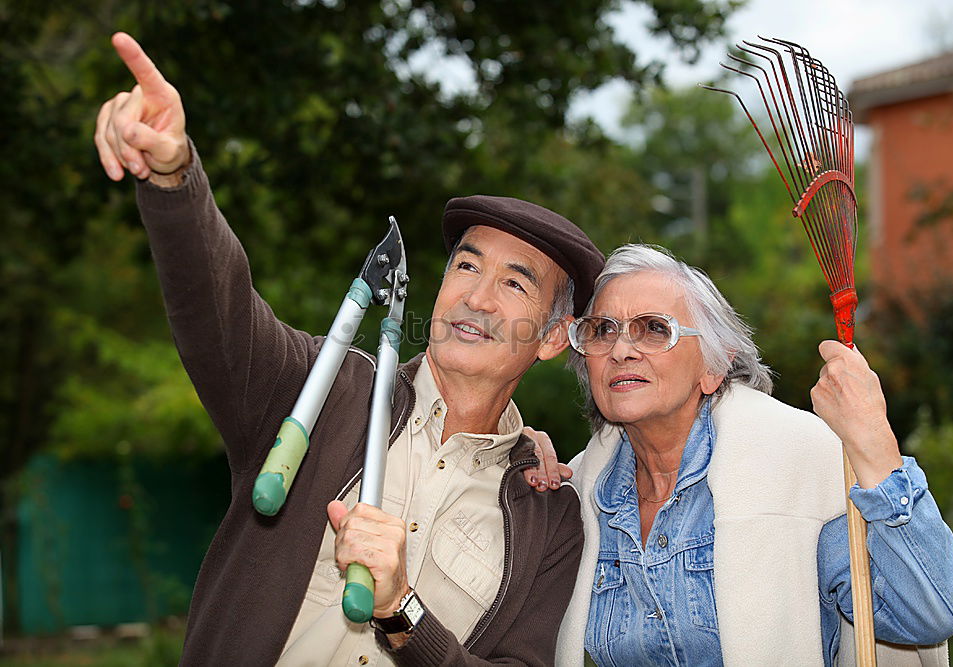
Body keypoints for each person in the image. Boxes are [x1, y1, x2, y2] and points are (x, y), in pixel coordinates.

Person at [94, 32, 604, 666]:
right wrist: (174, 178)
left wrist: (402, 610)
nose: (477, 298)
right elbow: (215, 307)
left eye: (513, 283)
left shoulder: (548, 515)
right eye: (466, 268)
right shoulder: (320, 388)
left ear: (555, 337)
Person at [525, 244, 953, 666]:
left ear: (713, 368)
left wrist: (875, 446)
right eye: (602, 331)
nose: (621, 350)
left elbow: (931, 613)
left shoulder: (796, 465)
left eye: (654, 328)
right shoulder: (576, 491)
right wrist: (511, 455)